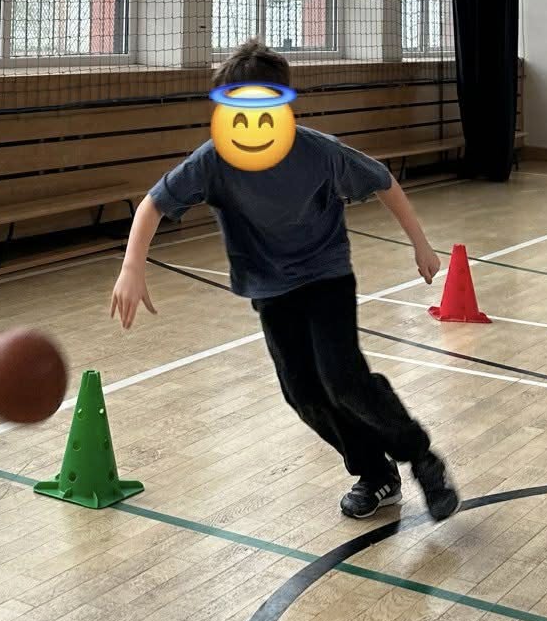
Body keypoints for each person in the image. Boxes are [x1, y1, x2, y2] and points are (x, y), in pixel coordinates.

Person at [109, 38, 460, 524]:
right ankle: (375, 473)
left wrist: (421, 244)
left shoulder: (316, 152)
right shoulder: (214, 161)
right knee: (303, 393)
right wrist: (132, 267)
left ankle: (420, 457)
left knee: (343, 380)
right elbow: (153, 204)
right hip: (271, 290)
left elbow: (383, 181)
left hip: (325, 276)